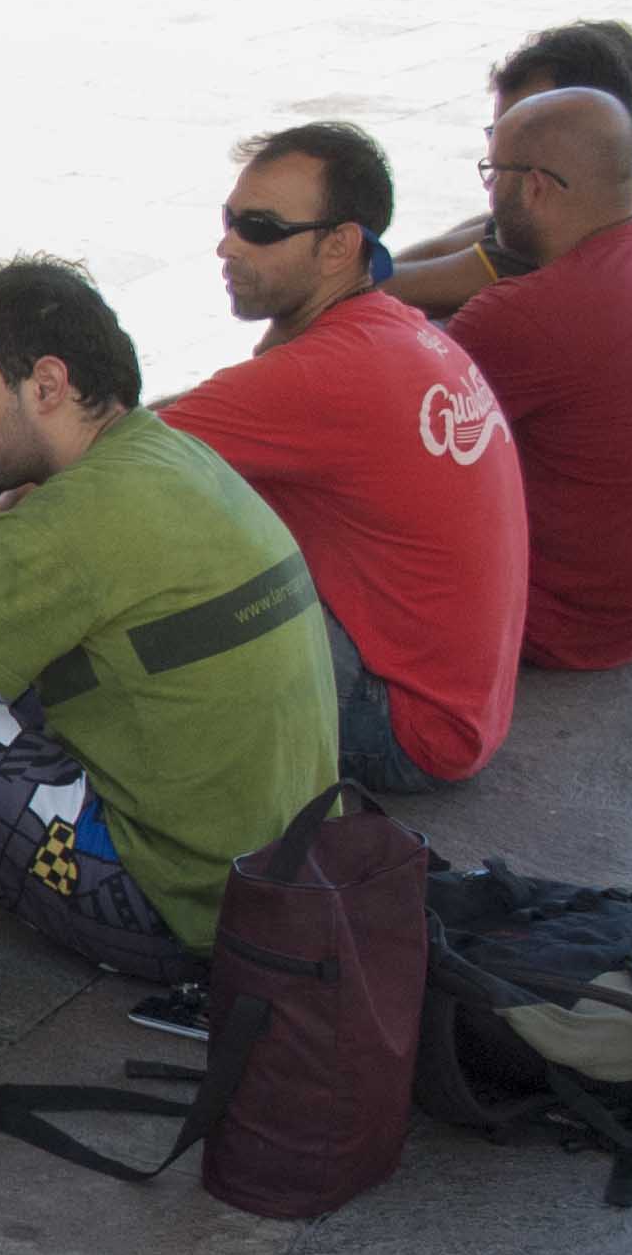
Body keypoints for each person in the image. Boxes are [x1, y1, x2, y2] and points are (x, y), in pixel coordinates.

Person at [0, 258, 336, 983]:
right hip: (290, 878)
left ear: (47, 385)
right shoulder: (171, 454)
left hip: (184, 915)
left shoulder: (60, 526)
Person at [170, 121, 525, 794]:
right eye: (229, 220)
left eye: (260, 229)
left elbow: (115, 457)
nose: (227, 245)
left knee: (134, 543)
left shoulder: (325, 373)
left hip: (403, 728)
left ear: (339, 245)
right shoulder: (390, 328)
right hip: (463, 709)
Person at [448, 87, 632, 669]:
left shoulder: (533, 314)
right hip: (630, 608)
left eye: (493, 173)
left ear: (535, 186)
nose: (489, 191)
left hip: (556, 622)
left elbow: (384, 428)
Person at [389, 21, 632, 443]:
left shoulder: (551, 296)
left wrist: (343, 275)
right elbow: (480, 236)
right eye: (500, 132)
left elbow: (402, 393)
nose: (500, 152)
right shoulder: (630, 196)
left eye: (524, 131)